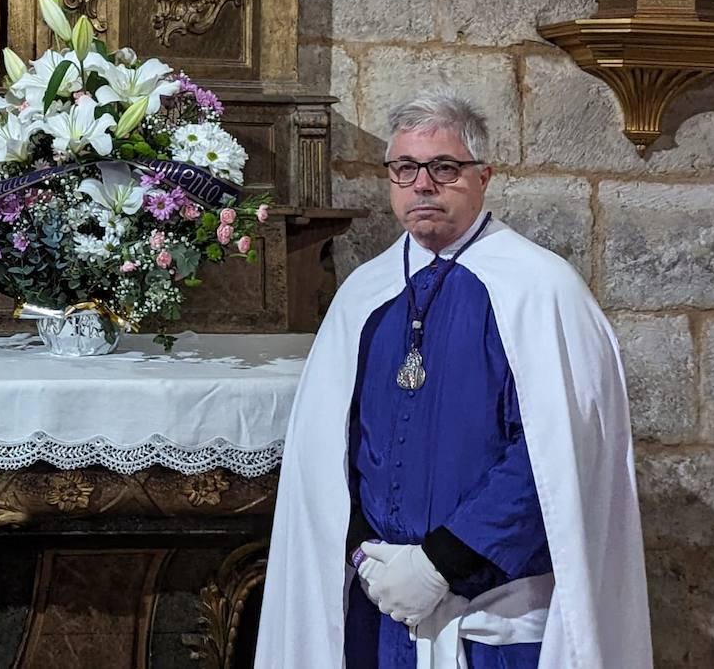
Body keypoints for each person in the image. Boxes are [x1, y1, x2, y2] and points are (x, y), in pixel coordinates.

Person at [254, 90, 652, 668]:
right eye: (405, 168)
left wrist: (439, 562)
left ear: (483, 176)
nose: (422, 184)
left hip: (495, 624)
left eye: (444, 167)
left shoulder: (541, 290)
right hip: (385, 609)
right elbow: (328, 451)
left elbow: (551, 459)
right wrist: (367, 556)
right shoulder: (364, 295)